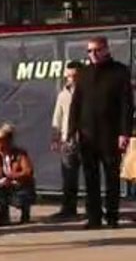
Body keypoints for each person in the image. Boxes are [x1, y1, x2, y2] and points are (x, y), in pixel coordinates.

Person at [67, 35, 134, 229]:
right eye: (89, 51)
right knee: (90, 177)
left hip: (110, 134)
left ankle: (112, 216)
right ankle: (94, 217)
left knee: (112, 177)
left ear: (106, 49)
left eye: (96, 50)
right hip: (87, 134)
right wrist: (71, 130)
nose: (93, 54)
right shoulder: (84, 74)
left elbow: (126, 105)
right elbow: (76, 104)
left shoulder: (119, 72)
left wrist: (124, 133)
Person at [50, 61, 82, 220]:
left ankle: (94, 209)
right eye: (68, 76)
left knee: (92, 175)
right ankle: (69, 209)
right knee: (68, 176)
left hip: (86, 139)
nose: (71, 79)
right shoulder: (63, 94)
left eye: (74, 76)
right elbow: (57, 117)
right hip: (67, 140)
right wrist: (56, 138)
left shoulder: (87, 92)